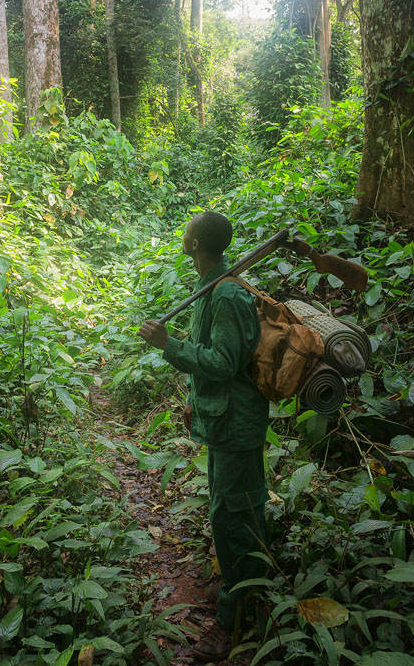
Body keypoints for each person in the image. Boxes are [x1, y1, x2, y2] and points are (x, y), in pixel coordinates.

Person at [138, 210, 269, 662]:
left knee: (235, 517)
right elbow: (214, 365)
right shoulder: (210, 285)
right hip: (222, 421)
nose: (185, 230)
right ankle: (240, 589)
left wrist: (168, 345)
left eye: (188, 228)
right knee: (225, 509)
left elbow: (223, 361)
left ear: (195, 244)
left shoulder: (227, 292)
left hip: (237, 424)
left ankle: (238, 619)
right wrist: (194, 396)